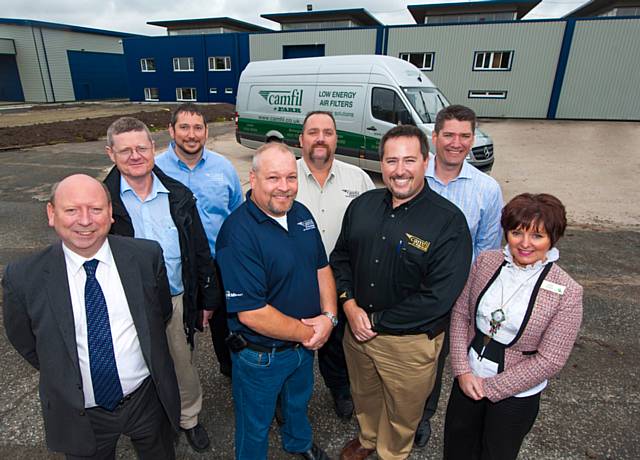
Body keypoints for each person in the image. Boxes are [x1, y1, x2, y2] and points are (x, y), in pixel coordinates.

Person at [2, 174, 180, 459]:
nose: (85, 220)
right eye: (71, 210)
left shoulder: (146, 257)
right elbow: (26, 341)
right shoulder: (23, 278)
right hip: (81, 412)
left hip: (146, 400)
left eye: (96, 209)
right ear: (52, 213)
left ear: (110, 213)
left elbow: (159, 314)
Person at [331, 125, 472, 460]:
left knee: (403, 411)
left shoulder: (448, 223)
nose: (400, 170)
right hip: (357, 331)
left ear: (426, 162)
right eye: (391, 160)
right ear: (381, 164)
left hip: (408, 345)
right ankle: (367, 438)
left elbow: (438, 297)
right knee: (364, 395)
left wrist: (376, 320)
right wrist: (348, 304)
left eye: (410, 160)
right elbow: (340, 258)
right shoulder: (362, 206)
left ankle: (392, 452)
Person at [103, 117, 222, 453]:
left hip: (177, 298)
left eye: (141, 147)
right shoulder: (103, 202)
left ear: (153, 148)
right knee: (140, 368)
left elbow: (199, 249)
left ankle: (189, 418)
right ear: (110, 153)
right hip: (129, 306)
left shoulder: (179, 195)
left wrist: (208, 298)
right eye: (125, 150)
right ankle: (159, 422)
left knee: (181, 363)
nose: (135, 156)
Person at [215, 142, 337, 460]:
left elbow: (321, 267)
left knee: (298, 403)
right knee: (255, 424)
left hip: (303, 347)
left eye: (290, 177)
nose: (284, 187)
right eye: (273, 178)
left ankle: (298, 442)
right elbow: (252, 314)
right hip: (262, 357)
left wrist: (329, 317)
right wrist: (310, 333)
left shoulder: (301, 214)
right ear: (253, 179)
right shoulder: (237, 233)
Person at [444, 193, 583, 460]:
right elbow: (461, 313)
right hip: (467, 380)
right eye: (517, 232)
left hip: (516, 396)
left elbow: (550, 359)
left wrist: (491, 388)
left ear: (553, 238)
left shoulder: (568, 292)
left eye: (537, 236)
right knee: (456, 448)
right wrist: (462, 370)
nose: (525, 244)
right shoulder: (486, 261)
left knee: (497, 453)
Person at [415, 104, 504, 447]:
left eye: (464, 136)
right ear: (434, 137)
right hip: (408, 288)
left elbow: (486, 251)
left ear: (472, 139)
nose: (456, 143)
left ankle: (423, 416)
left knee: (435, 361)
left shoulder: (487, 189)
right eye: (448, 135)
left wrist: (467, 297)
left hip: (455, 296)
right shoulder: (415, 177)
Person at [295, 110, 375, 419]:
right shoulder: (286, 175)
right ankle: (288, 400)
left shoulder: (358, 178)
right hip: (296, 281)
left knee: (337, 344)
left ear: (336, 139)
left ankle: (340, 389)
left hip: (341, 280)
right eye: (313, 132)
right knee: (294, 343)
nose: (320, 138)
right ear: (301, 139)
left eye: (327, 132)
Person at [156, 103, 243, 379]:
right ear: (171, 130)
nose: (191, 134)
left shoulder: (224, 168)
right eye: (184, 127)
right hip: (174, 266)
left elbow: (237, 214)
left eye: (197, 128)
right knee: (175, 330)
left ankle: (229, 368)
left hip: (218, 263)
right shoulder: (154, 169)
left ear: (206, 132)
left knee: (225, 324)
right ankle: (178, 384)